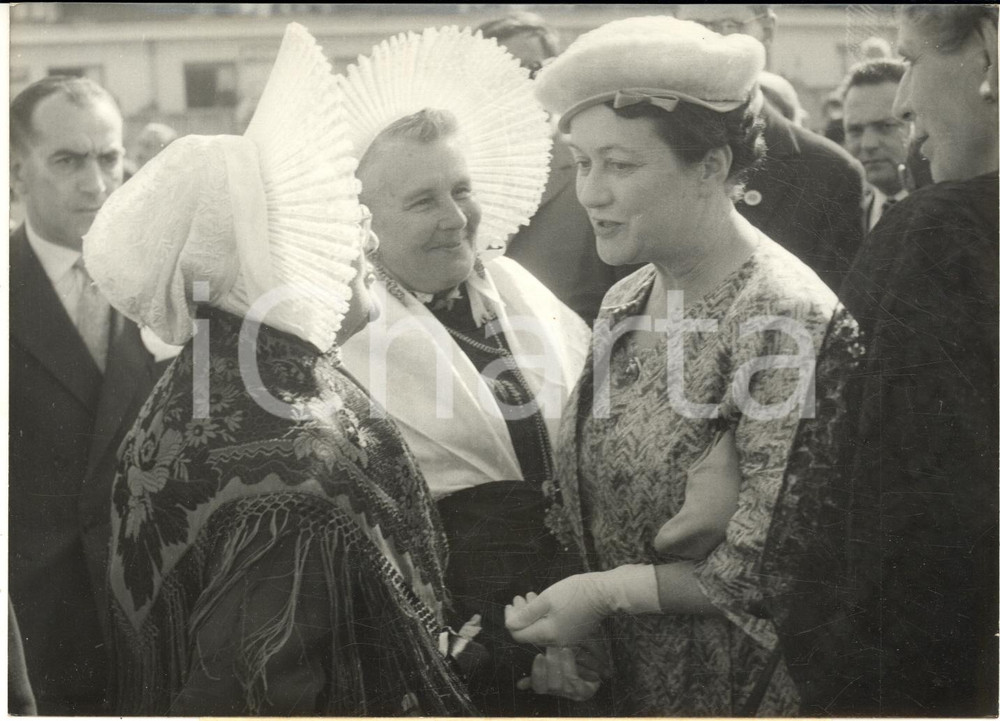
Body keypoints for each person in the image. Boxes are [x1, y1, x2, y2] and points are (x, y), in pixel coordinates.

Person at [87, 24, 477, 716]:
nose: (365, 239)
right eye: (335, 217)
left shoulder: (215, 377)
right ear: (271, 250)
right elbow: (255, 691)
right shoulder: (291, 450)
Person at [504, 16, 851, 716]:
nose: (591, 193)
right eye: (582, 163)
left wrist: (605, 594)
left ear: (711, 167)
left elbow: (771, 567)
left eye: (620, 164)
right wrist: (583, 634)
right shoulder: (626, 298)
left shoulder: (784, 317)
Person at [336, 26, 592, 716]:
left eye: (462, 189)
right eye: (423, 201)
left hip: (589, 627)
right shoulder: (349, 339)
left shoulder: (516, 288)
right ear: (363, 222)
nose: (456, 218)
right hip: (462, 656)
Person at [809, 5, 998, 715]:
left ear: (990, 51)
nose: (904, 101)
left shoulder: (942, 234)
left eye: (914, 59)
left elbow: (900, 529)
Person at [8, 75, 162, 715]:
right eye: (68, 161)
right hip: (41, 640)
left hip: (157, 623)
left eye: (108, 157)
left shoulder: (165, 280)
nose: (96, 184)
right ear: (17, 172)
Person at [677, 4, 866, 291]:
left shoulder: (829, 172)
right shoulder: (635, 155)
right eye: (695, 28)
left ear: (767, 31)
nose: (710, 44)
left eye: (729, 26)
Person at [478, 11, 627, 325]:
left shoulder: (595, 167)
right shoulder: (462, 174)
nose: (517, 84)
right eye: (500, 72)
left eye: (531, 70)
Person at [839, 59, 909, 232]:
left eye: (885, 126)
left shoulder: (949, 214)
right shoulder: (843, 221)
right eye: (855, 130)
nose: (868, 144)